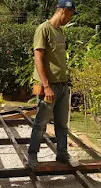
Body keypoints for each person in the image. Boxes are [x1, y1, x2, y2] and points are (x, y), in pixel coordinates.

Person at [28, 0, 79, 168]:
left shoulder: (60, 32)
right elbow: (38, 58)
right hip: (48, 87)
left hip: (62, 85)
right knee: (41, 123)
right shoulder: (44, 29)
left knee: (62, 124)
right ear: (64, 11)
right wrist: (46, 85)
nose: (70, 18)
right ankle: (32, 155)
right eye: (71, 14)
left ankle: (62, 154)